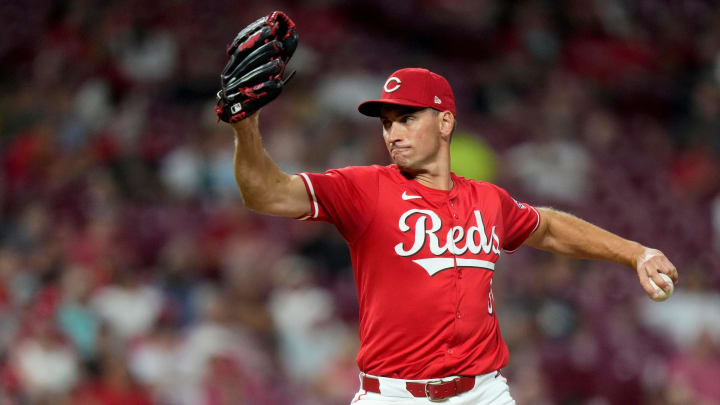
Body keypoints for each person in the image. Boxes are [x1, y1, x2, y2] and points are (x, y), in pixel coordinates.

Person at [225, 67, 679, 404]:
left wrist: (636, 253)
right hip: (393, 396)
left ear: (445, 122)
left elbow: (551, 227)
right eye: (387, 123)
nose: (393, 133)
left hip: (483, 393)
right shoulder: (364, 188)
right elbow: (266, 194)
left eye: (407, 119)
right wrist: (246, 126)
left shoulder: (488, 199)